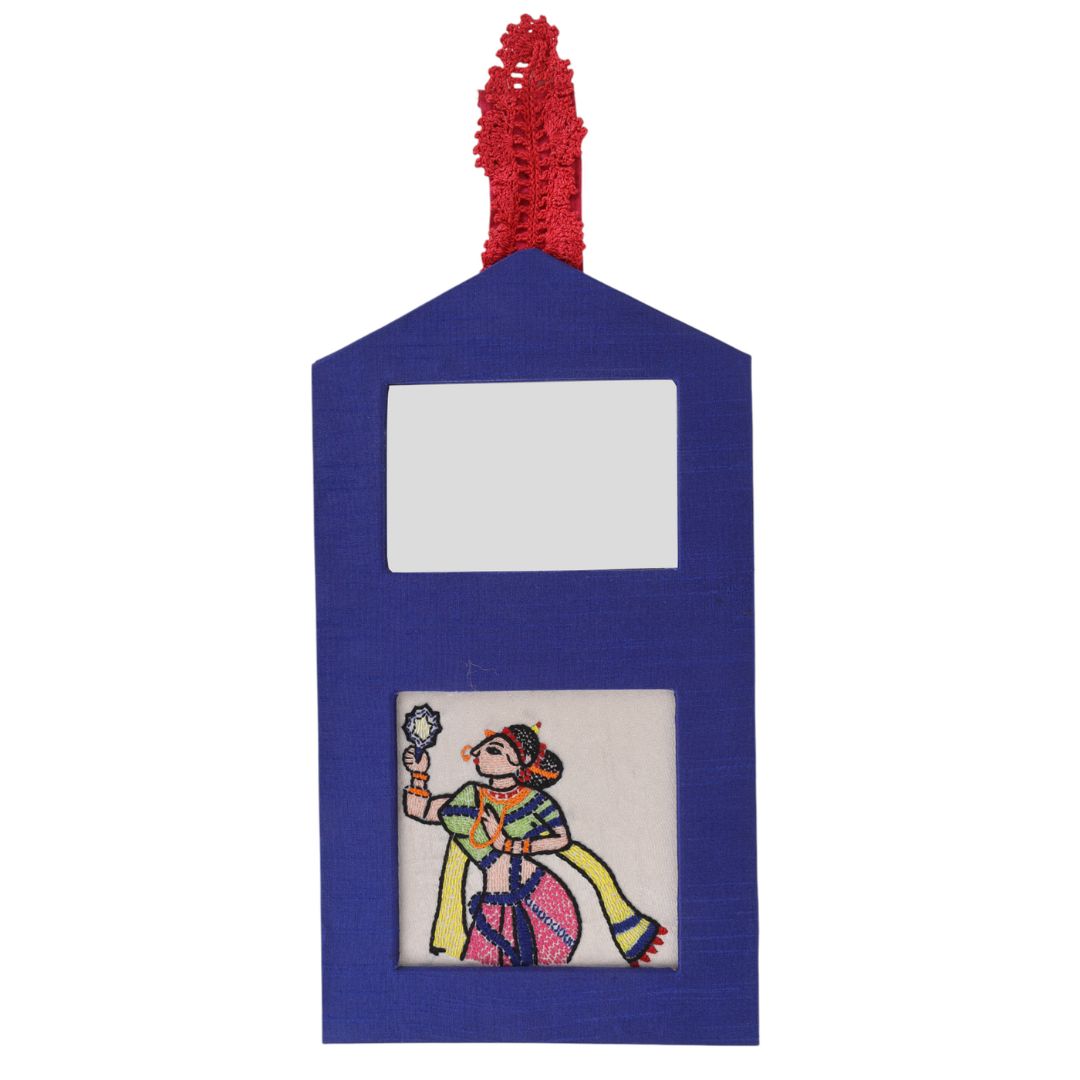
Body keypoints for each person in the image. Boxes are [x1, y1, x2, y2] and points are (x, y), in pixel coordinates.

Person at [403, 722, 666, 967]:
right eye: (483, 747)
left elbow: (562, 840)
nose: (479, 752)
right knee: (484, 970)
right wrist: (418, 773)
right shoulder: (469, 796)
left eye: (494, 750)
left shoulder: (536, 802)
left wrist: (509, 844)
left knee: (542, 971)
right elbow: (420, 811)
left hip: (540, 900)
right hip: (493, 904)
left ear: (521, 763)